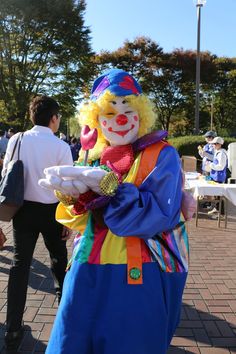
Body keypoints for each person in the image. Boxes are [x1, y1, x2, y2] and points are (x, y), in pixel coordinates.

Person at [40, 69, 189, 354]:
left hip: (137, 275)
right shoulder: (93, 156)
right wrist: (76, 199)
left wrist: (112, 190)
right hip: (85, 268)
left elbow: (159, 215)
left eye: (127, 109)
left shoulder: (162, 154)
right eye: (109, 112)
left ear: (141, 114)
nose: (119, 119)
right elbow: (83, 222)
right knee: (72, 342)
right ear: (95, 120)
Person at [2, 95, 74, 351]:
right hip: (54, 210)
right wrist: (69, 220)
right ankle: (66, 316)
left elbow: (7, 174)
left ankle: (12, 329)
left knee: (20, 266)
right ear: (53, 119)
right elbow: (68, 187)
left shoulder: (17, 139)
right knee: (59, 261)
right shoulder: (61, 147)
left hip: (23, 210)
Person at [206, 136, 228, 216]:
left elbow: (221, 166)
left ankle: (221, 214)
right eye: (213, 144)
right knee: (216, 195)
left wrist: (211, 165)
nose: (213, 145)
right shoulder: (218, 152)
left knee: (219, 196)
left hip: (219, 177)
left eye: (214, 144)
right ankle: (216, 209)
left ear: (219, 144)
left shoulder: (222, 153)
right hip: (216, 176)